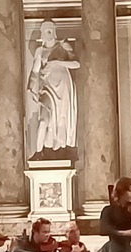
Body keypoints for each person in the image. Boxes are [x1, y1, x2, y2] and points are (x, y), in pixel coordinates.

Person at [27, 19, 80, 160]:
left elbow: (76, 63)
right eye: (45, 31)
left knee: (62, 120)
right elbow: (35, 70)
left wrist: (57, 62)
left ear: (54, 31)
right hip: (48, 87)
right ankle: (39, 152)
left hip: (64, 86)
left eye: (50, 30)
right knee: (44, 120)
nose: (48, 34)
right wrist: (30, 88)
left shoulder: (64, 46)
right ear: (42, 33)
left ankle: (60, 150)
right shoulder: (40, 50)